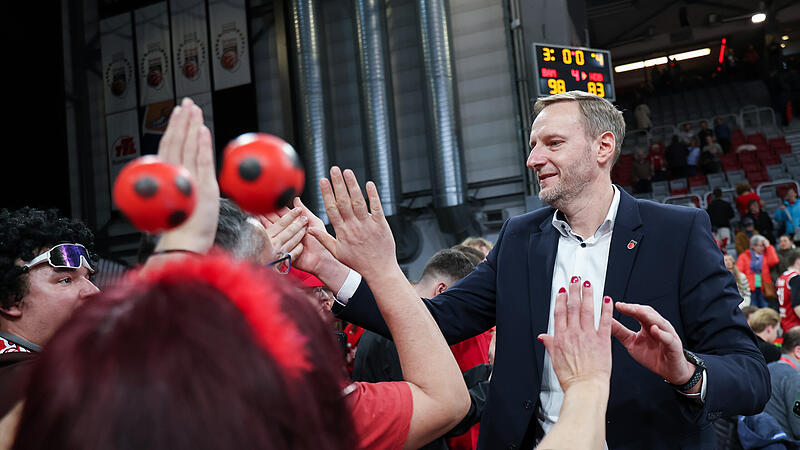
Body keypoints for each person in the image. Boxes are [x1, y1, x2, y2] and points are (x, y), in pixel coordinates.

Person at [292, 91, 769, 449]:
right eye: (533, 145)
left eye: (553, 143)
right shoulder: (520, 237)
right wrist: (328, 268)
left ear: (603, 147)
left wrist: (686, 372)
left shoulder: (677, 232)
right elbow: (435, 320)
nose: (533, 159)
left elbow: (750, 374)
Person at [353, 248, 490, 450]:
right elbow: (437, 415)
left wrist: (487, 373)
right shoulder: (400, 335)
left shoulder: (390, 327)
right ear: (441, 290)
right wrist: (490, 388)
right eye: (457, 307)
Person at [0, 207, 100, 418]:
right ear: (9, 301)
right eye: (65, 280)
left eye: (88, 278)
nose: (94, 291)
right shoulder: (43, 386)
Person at [763, 327, 800, 439]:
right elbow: (798, 428)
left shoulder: (767, 369)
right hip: (785, 442)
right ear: (798, 351)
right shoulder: (794, 377)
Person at [737, 235, 780, 309]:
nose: (763, 248)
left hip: (763, 287)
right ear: (753, 246)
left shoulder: (765, 255)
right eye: (761, 246)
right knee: (753, 308)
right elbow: (739, 271)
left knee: (765, 307)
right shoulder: (744, 256)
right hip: (750, 287)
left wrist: (768, 246)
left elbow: (774, 261)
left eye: (763, 246)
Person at [776, 250, 800, 333]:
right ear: (798, 261)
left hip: (785, 322)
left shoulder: (782, 276)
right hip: (795, 325)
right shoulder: (796, 278)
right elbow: (797, 305)